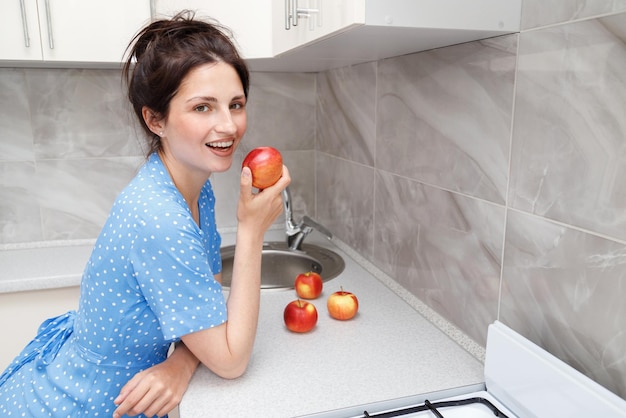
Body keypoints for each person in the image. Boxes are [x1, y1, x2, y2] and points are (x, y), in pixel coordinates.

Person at [0, 10, 290, 418]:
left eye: (236, 104)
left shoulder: (194, 187)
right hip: (80, 405)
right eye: (203, 107)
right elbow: (230, 360)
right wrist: (252, 229)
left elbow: (208, 294)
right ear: (155, 119)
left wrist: (181, 362)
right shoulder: (158, 217)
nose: (228, 124)